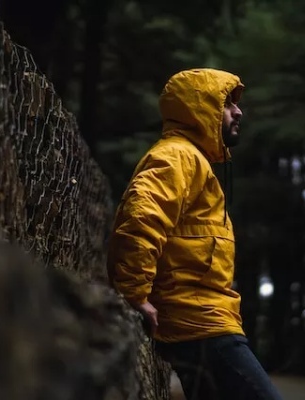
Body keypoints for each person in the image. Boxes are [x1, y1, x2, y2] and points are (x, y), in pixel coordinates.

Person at [107, 68, 283, 400]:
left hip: (204, 320)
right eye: (227, 103)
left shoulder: (192, 161)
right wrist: (135, 294)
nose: (238, 111)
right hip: (200, 325)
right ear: (200, 108)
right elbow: (141, 218)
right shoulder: (177, 157)